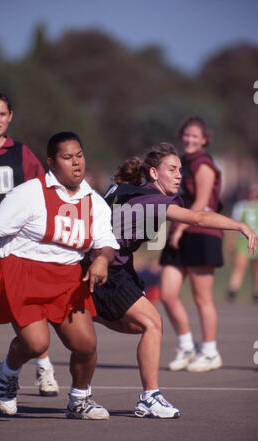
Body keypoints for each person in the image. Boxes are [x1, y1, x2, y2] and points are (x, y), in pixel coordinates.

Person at [88, 143, 257, 419]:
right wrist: (239, 225)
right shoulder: (154, 200)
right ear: (154, 173)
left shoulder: (126, 189)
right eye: (172, 169)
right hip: (108, 268)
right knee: (152, 323)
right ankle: (149, 397)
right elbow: (199, 218)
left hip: (109, 264)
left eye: (180, 169)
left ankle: (80, 315)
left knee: (137, 326)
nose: (179, 175)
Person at [0, 131, 119, 419]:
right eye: (67, 158)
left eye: (79, 155)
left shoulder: (94, 201)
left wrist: (101, 260)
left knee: (86, 345)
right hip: (23, 273)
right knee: (36, 344)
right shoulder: (29, 193)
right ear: (52, 162)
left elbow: (106, 244)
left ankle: (79, 400)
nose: (76, 163)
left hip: (66, 279)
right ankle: (6, 374)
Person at [0, 92, 59, 397]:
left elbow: (43, 188)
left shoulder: (20, 152)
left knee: (26, 299)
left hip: (17, 234)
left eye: (2, 114)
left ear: (10, 117)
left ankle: (45, 367)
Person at [159, 116, 225, 372]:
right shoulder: (182, 163)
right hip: (181, 232)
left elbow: (200, 204)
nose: (190, 139)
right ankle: (187, 345)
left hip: (202, 233)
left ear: (205, 139)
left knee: (202, 299)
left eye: (195, 136)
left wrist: (179, 230)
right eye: (186, 135)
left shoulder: (203, 164)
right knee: (167, 294)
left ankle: (210, 351)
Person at [227, 184, 258, 302]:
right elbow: (234, 224)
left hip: (257, 239)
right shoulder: (240, 206)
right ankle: (233, 289)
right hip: (243, 240)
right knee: (240, 265)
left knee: (256, 267)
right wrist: (231, 241)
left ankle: (256, 292)